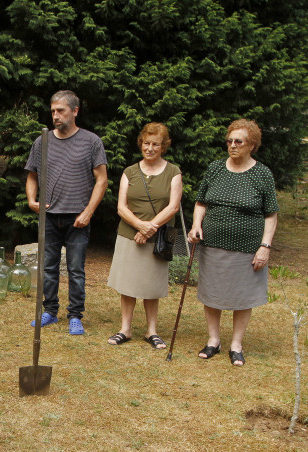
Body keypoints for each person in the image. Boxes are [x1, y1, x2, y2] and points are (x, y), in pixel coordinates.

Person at [187, 119, 278, 366]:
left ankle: (236, 344)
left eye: (239, 141)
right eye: (229, 141)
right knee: (211, 292)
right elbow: (201, 202)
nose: (233, 145)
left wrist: (265, 246)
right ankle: (213, 340)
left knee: (243, 295)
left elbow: (271, 213)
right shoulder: (216, 168)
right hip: (213, 244)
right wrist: (196, 225)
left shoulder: (262, 174)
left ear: (252, 145)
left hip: (248, 248)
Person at [25, 90, 108, 335]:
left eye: (60, 110)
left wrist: (88, 212)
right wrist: (32, 200)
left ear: (75, 111)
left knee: (76, 269)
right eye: (52, 111)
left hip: (78, 218)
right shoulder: (42, 141)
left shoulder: (91, 142)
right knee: (48, 267)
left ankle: (75, 316)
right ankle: (49, 311)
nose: (55, 116)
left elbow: (101, 180)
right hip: (49, 216)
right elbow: (32, 175)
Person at [106, 122, 183, 348]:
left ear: (163, 146)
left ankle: (152, 331)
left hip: (158, 238)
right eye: (146, 143)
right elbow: (121, 207)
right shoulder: (129, 172)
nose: (150, 148)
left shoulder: (173, 172)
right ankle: (125, 329)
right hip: (129, 235)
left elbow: (173, 207)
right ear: (141, 143)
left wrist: (150, 228)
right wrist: (140, 226)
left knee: (151, 285)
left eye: (155, 144)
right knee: (127, 284)